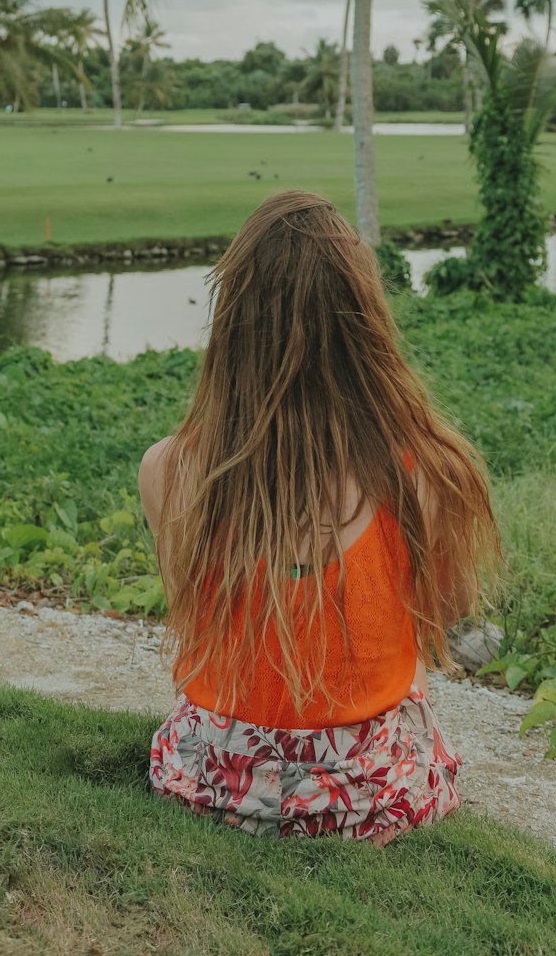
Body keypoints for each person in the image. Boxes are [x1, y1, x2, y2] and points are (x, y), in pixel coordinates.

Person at [139, 190, 499, 845]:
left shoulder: (169, 468)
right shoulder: (425, 473)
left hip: (212, 784)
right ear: (364, 323)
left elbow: (202, 622)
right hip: (363, 803)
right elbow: (446, 614)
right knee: (410, 669)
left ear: (233, 323)